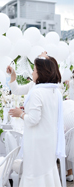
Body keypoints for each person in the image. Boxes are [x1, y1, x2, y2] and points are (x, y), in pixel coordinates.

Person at [8, 57, 64, 187]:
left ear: (41, 72)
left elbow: (33, 120)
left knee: (34, 172)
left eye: (34, 70)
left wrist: (20, 114)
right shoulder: (54, 90)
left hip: (37, 141)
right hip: (49, 139)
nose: (32, 73)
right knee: (46, 171)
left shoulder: (37, 92)